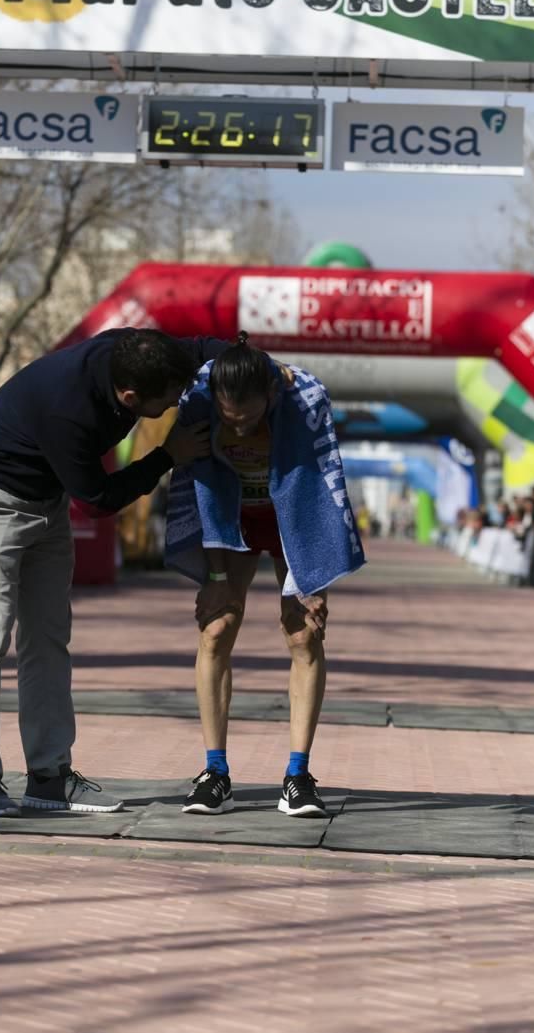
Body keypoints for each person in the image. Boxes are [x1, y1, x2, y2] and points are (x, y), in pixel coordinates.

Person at [0, 327, 225, 817]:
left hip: (43, 500)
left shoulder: (142, 350)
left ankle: (49, 778)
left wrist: (268, 367)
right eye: (169, 399)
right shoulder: (67, 408)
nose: (177, 403)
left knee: (48, 639)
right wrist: (165, 457)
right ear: (131, 396)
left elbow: (202, 348)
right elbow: (98, 500)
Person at [167, 335, 365, 819]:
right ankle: (215, 772)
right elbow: (203, 483)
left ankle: (297, 776)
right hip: (229, 511)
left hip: (291, 515)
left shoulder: (306, 400)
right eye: (229, 418)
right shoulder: (199, 396)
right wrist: (214, 573)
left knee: (304, 634)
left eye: (250, 419)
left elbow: (317, 486)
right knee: (216, 627)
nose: (238, 426)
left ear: (272, 398)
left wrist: (311, 579)